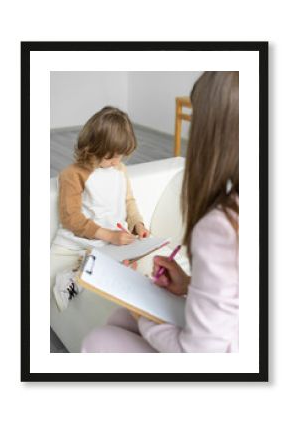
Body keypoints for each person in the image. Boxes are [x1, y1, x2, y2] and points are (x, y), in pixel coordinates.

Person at [81, 71, 239, 353]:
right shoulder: (77, 176)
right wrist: (190, 283)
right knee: (117, 317)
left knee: (97, 341)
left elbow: (199, 354)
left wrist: (141, 313)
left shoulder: (221, 226)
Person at [51, 106, 150, 311]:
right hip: (80, 241)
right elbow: (71, 218)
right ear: (91, 147)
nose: (115, 162)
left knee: (136, 269)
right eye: (109, 157)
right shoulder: (73, 174)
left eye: (120, 156)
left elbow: (129, 202)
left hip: (112, 242)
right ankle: (71, 279)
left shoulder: (119, 169)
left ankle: (97, 271)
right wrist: (109, 236)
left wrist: (137, 223)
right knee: (101, 273)